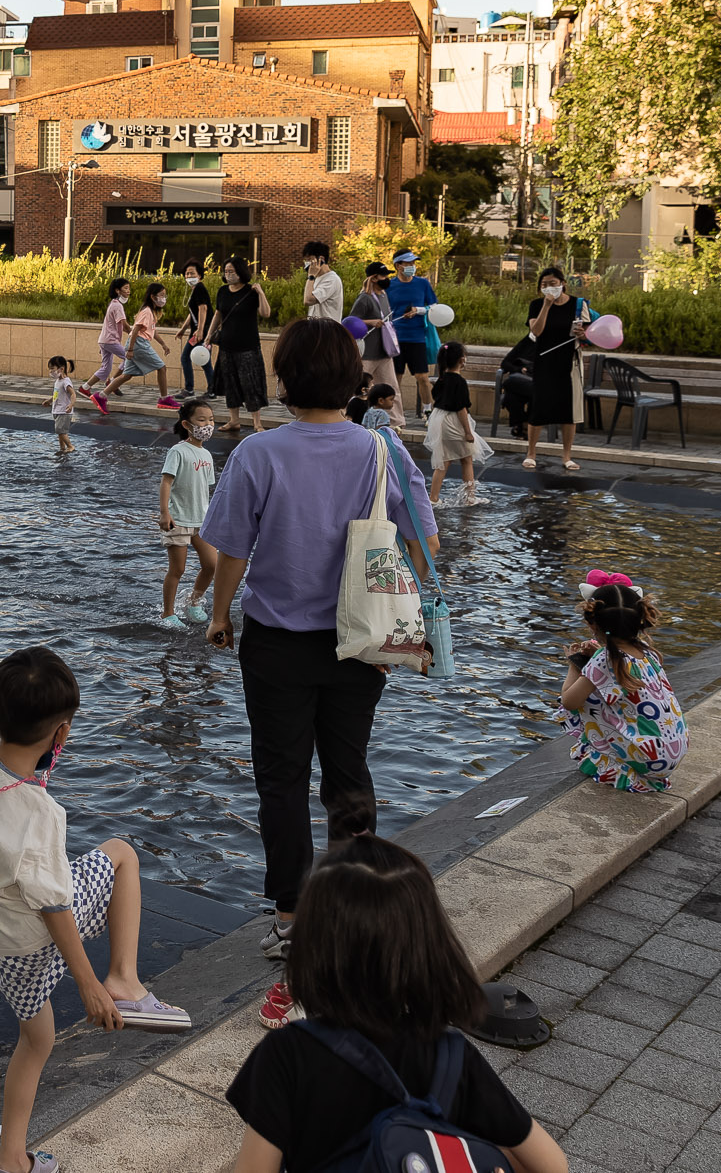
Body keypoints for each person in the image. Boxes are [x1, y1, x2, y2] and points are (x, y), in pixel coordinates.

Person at [204, 317, 437, 1030]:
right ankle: (351, 906)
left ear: (284, 378)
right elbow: (423, 536)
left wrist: (219, 613)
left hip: (276, 640)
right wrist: (424, 615)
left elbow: (230, 548)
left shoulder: (257, 452)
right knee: (348, 769)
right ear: (352, 379)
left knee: (280, 776)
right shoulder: (382, 449)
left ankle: (289, 915)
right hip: (362, 637)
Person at [0, 647, 189, 1173]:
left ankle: (11, 1161)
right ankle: (124, 979)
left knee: (37, 1039)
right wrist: (89, 983)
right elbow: (54, 906)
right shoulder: (37, 810)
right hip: (33, 931)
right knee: (122, 856)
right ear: (61, 734)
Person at [224, 825, 568, 1173]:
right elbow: (553, 1164)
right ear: (429, 944)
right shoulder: (450, 1054)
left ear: (314, 946)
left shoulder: (288, 1054)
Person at [558, 571, 687, 794]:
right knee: (605, 693)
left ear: (592, 624)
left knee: (588, 700)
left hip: (647, 760)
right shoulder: (647, 652)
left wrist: (576, 663)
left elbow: (568, 701)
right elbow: (617, 670)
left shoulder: (603, 659)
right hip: (670, 754)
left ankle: (614, 765)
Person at [522, 266, 592, 471]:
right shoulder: (536, 305)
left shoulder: (578, 305)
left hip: (569, 363)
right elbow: (536, 331)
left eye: (552, 283)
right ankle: (531, 453)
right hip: (544, 361)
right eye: (544, 285)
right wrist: (546, 305)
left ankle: (567, 455)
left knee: (568, 411)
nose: (549, 288)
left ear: (563, 284)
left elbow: (589, 336)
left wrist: (582, 335)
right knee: (539, 408)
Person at [159, 398, 218, 627]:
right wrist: (165, 513)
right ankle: (168, 613)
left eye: (211, 420)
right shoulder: (178, 451)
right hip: (179, 520)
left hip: (201, 521)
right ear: (187, 425)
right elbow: (166, 482)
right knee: (178, 569)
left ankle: (194, 602)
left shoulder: (207, 455)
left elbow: (206, 489)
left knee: (212, 564)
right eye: (201, 420)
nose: (208, 424)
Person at [210, 256, 271, 435]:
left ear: (241, 272)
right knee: (231, 384)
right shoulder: (222, 291)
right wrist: (207, 336)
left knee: (250, 383)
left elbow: (265, 313)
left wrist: (261, 292)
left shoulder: (250, 292)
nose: (228, 275)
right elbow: (218, 314)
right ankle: (234, 420)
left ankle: (257, 423)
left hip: (248, 346)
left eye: (232, 271)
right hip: (226, 346)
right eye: (226, 271)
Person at [385, 249, 438, 424]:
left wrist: (418, 310)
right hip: (395, 338)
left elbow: (434, 307)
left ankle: (428, 411)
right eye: (408, 264)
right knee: (396, 378)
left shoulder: (422, 284)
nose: (412, 267)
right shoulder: (389, 286)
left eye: (413, 263)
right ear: (398, 266)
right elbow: (383, 310)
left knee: (422, 377)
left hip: (417, 337)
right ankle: (393, 413)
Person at [426, 341, 479, 505]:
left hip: (439, 420)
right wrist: (468, 432)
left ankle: (433, 498)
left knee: (443, 461)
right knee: (466, 459)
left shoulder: (441, 379)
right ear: (462, 360)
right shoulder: (459, 382)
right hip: (454, 422)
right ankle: (470, 498)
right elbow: (461, 409)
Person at [113, 281, 172, 405]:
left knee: (127, 375)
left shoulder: (151, 312)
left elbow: (152, 331)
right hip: (139, 343)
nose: (163, 299)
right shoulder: (147, 311)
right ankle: (164, 399)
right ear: (152, 296)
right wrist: (130, 349)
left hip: (138, 342)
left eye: (164, 295)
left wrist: (163, 344)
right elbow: (135, 330)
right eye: (161, 295)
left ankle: (101, 395)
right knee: (161, 368)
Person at [82, 276, 132, 409]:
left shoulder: (113, 304)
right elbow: (124, 324)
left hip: (105, 341)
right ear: (117, 290)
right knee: (130, 358)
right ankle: (113, 383)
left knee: (105, 368)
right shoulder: (117, 306)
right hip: (110, 340)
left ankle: (85, 387)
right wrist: (134, 334)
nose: (129, 291)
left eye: (129, 288)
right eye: (126, 288)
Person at [349, 261, 396, 402]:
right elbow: (351, 322)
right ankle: (351, 416)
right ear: (374, 278)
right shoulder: (364, 298)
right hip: (368, 353)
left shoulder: (384, 295)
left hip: (384, 351)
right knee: (359, 388)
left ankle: (397, 422)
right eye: (383, 276)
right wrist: (371, 322)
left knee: (392, 388)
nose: (386, 279)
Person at [177, 259, 214, 398]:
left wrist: (200, 330)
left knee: (186, 357)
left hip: (200, 332)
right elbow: (192, 313)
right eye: (186, 273)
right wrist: (183, 329)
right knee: (205, 361)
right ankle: (212, 390)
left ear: (199, 275)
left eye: (192, 273)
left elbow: (203, 309)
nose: (188, 276)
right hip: (198, 331)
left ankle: (190, 389)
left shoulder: (199, 288)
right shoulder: (195, 290)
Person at [300, 241, 343, 325]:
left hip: (328, 331)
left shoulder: (331, 279)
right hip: (316, 329)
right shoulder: (318, 279)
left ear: (321, 259)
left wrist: (311, 276)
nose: (307, 263)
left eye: (309, 259)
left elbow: (308, 300)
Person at [46, 356, 77, 454]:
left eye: (52, 369)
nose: (51, 371)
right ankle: (62, 447)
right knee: (60, 431)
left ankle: (70, 446)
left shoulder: (66, 382)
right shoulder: (58, 381)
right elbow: (56, 395)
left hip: (64, 411)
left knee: (60, 430)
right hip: (57, 410)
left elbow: (73, 394)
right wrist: (50, 401)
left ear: (61, 369)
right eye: (50, 369)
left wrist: (71, 405)